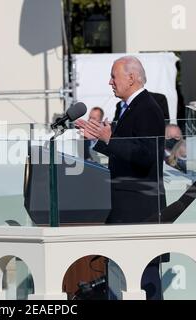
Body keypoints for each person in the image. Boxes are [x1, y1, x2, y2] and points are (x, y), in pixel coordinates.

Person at [76, 56, 166, 300]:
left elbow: (146, 156)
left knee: (144, 285)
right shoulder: (126, 107)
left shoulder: (147, 107)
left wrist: (109, 139)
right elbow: (124, 151)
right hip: (126, 211)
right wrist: (97, 138)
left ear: (132, 77)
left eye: (114, 76)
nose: (110, 82)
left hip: (140, 213)